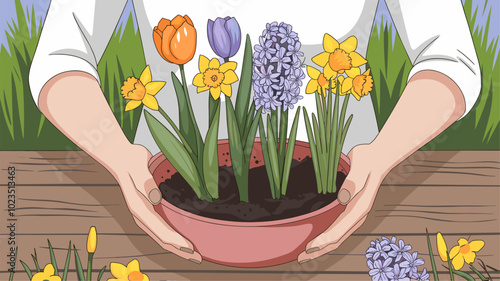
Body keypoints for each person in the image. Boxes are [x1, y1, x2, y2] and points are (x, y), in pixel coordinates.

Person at [29, 0, 480, 264]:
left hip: (339, 207)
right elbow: (61, 57)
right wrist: (116, 153)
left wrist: (382, 156)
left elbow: (450, 59)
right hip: (168, 213)